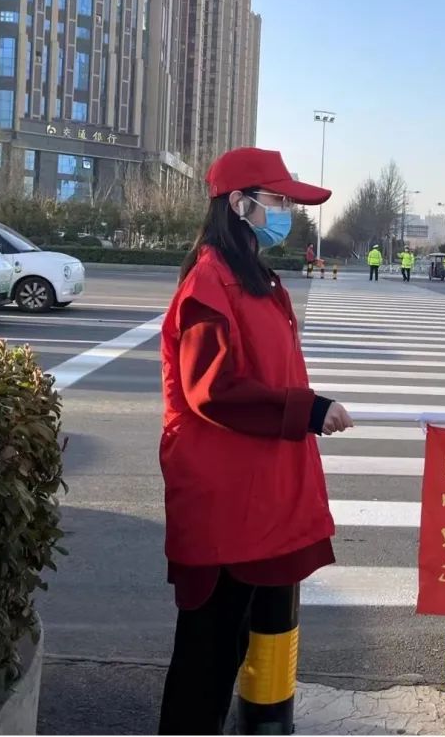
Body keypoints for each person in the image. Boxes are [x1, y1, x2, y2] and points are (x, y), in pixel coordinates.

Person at [158, 147, 354, 735]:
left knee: (229, 645)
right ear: (239, 205)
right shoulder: (211, 283)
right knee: (207, 657)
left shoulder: (252, 278)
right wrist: (308, 409)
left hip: (252, 497)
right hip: (223, 501)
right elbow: (212, 390)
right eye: (278, 200)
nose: (286, 212)